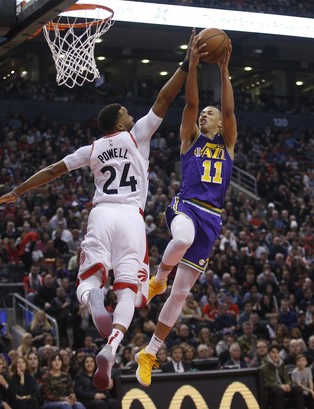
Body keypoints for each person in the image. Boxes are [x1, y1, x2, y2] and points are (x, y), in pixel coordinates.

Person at [0, 30, 194, 391]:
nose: (133, 116)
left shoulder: (93, 148)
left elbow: (53, 170)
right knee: (130, 291)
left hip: (101, 214)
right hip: (131, 216)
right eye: (127, 114)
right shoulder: (137, 136)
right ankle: (112, 346)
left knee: (88, 279)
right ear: (119, 122)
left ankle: (94, 298)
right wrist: (186, 63)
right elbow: (165, 98)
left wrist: (17, 191)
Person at [135, 29, 237, 387]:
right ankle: (157, 278)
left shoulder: (228, 143)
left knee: (182, 294)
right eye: (204, 114)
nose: (206, 114)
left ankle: (149, 351)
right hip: (187, 207)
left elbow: (228, 107)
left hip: (213, 221)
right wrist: (192, 65)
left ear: (221, 123)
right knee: (179, 241)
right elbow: (191, 104)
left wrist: (224, 71)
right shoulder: (190, 138)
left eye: (212, 114)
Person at [261, 345, 305, 409]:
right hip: (271, 390)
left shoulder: (281, 364)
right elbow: (266, 384)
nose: (275, 355)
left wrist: (288, 384)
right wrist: (280, 386)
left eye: (277, 352)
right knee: (278, 391)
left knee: (299, 389)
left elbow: (287, 378)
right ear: (269, 354)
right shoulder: (264, 367)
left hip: (283, 387)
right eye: (273, 352)